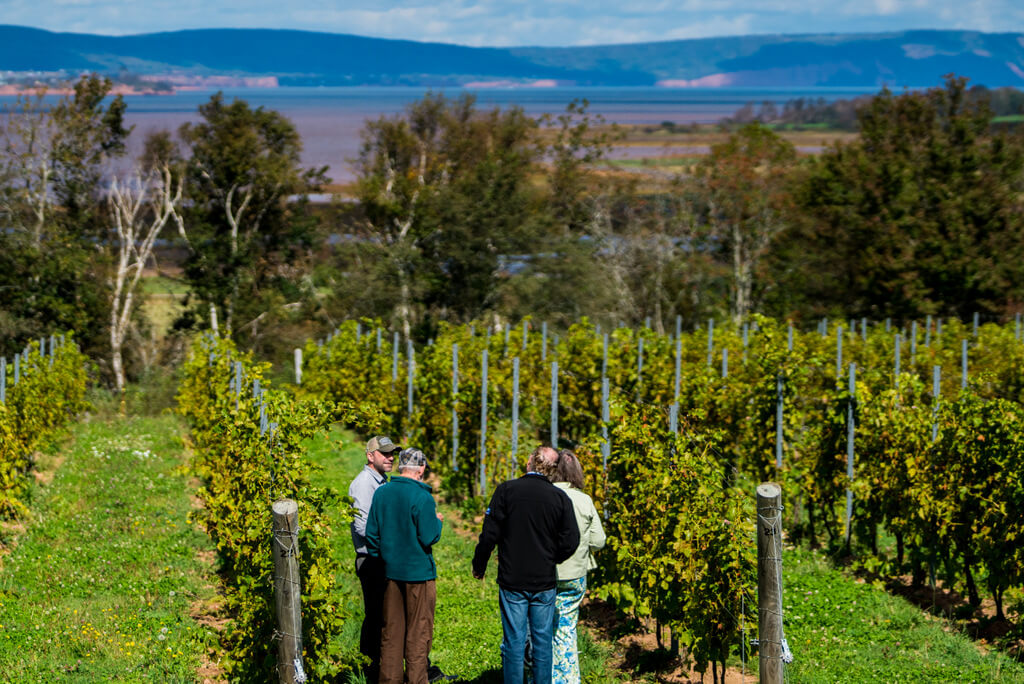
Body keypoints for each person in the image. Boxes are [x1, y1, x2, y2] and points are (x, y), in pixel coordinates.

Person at [472, 446, 580, 684]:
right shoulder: (559, 498)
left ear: (529, 462)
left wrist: (479, 565)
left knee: (514, 640)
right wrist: (552, 558)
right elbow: (571, 539)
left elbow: (489, 534)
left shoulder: (507, 491)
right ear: (552, 470)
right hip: (544, 581)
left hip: (513, 579)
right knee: (543, 641)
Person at [365, 447, 444, 684]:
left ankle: (389, 679)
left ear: (401, 466)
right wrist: (437, 522)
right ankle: (417, 680)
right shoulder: (422, 497)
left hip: (390, 573)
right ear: (421, 469)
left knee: (391, 632)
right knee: (418, 634)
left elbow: (372, 536)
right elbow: (428, 536)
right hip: (419, 574)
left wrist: (385, 559)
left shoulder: (382, 493)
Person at [551, 450, 606, 683]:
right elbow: (598, 541)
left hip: (547, 574)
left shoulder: (547, 495)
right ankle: (569, 678)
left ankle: (544, 675)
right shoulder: (584, 500)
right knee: (567, 628)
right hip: (575, 575)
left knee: (542, 628)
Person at [349, 435, 399, 680]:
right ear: (370, 456)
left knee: (382, 614)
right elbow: (362, 526)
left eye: (392, 454)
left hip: (380, 556)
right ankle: (369, 667)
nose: (391, 458)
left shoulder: (381, 482)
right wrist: (390, 540)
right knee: (376, 615)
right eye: (385, 454)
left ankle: (375, 666)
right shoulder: (364, 484)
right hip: (371, 558)